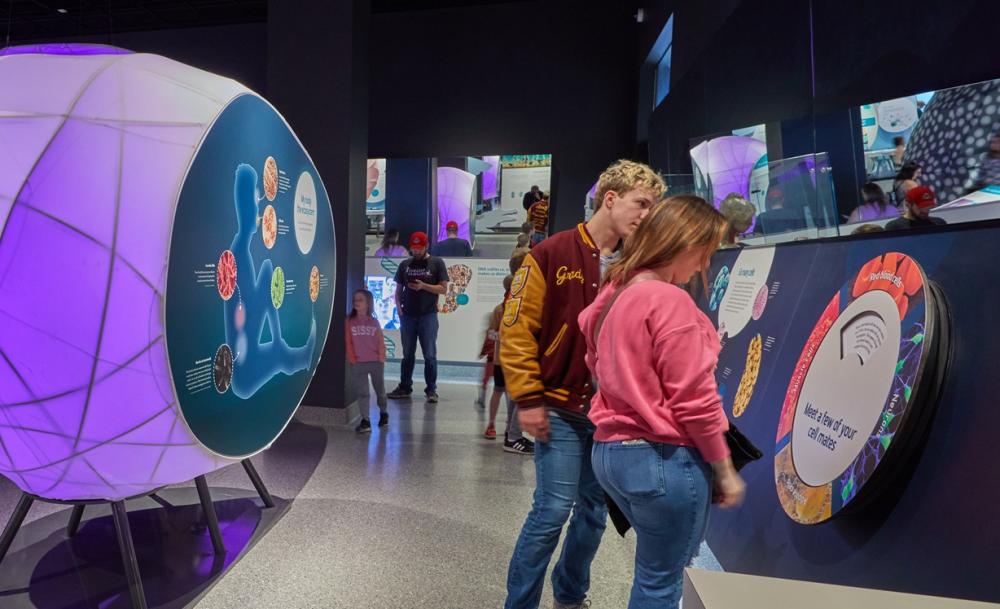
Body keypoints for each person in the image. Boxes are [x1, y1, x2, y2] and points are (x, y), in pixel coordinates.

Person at [502, 159, 666, 609]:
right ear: (610, 199)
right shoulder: (550, 254)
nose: (646, 215)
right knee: (552, 510)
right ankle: (519, 604)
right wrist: (528, 398)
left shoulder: (639, 265)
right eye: (641, 204)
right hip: (556, 407)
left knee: (593, 514)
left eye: (652, 207)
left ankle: (570, 595)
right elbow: (517, 334)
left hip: (610, 415)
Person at [578, 196, 744, 609]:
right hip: (661, 459)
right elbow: (694, 397)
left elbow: (594, 359)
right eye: (705, 252)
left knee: (654, 575)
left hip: (610, 454)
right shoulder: (669, 300)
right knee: (661, 584)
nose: (705, 265)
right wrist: (723, 468)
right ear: (685, 242)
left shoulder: (614, 292)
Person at [387, 231, 449, 403]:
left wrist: (423, 286)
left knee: (429, 354)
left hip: (428, 315)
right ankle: (405, 386)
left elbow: (443, 289)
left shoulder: (436, 263)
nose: (416, 251)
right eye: (413, 248)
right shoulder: (405, 265)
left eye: (419, 248)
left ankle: (431, 390)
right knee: (407, 354)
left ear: (426, 246)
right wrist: (399, 308)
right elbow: (398, 291)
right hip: (407, 315)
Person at [484, 276, 534, 454]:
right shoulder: (503, 308)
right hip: (505, 358)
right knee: (505, 392)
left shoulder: (509, 304)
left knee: (511, 395)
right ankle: (500, 428)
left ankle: (509, 431)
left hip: (506, 357)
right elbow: (492, 333)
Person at [346, 289, 388, 433]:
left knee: (380, 390)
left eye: (360, 300)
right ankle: (366, 420)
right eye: (355, 300)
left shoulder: (374, 322)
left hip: (376, 362)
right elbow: (348, 342)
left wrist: (381, 358)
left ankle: (383, 413)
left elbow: (380, 341)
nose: (356, 303)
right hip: (358, 363)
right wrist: (352, 359)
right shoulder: (350, 321)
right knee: (362, 393)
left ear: (368, 303)